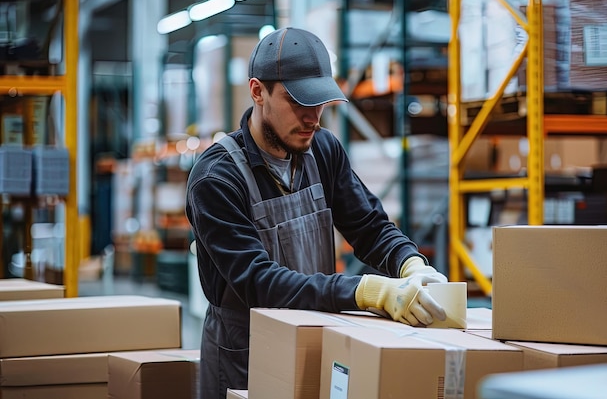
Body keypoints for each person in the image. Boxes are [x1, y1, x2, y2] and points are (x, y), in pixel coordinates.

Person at [185, 27, 448, 399]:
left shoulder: (322, 149)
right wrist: (367, 290)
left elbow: (368, 225)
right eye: (299, 102)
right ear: (258, 91)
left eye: (320, 102)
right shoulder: (216, 178)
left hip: (314, 334)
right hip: (245, 354)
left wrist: (410, 264)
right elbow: (258, 282)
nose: (313, 118)